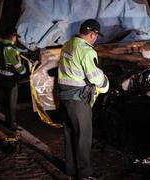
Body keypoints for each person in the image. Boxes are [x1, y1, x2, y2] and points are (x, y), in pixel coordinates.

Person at [58, 19, 109, 180]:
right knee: (83, 135)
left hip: (64, 96)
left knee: (70, 133)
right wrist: (106, 82)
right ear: (92, 34)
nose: (96, 39)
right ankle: (84, 174)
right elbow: (95, 77)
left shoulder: (68, 44)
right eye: (96, 36)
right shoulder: (87, 51)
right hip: (78, 98)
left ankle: (71, 170)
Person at [0, 30, 27, 131]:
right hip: (10, 79)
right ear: (12, 37)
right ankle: (12, 125)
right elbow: (17, 66)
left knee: (6, 102)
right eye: (15, 37)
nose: (16, 39)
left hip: (2, 77)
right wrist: (24, 71)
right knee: (12, 103)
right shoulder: (10, 49)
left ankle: (7, 121)